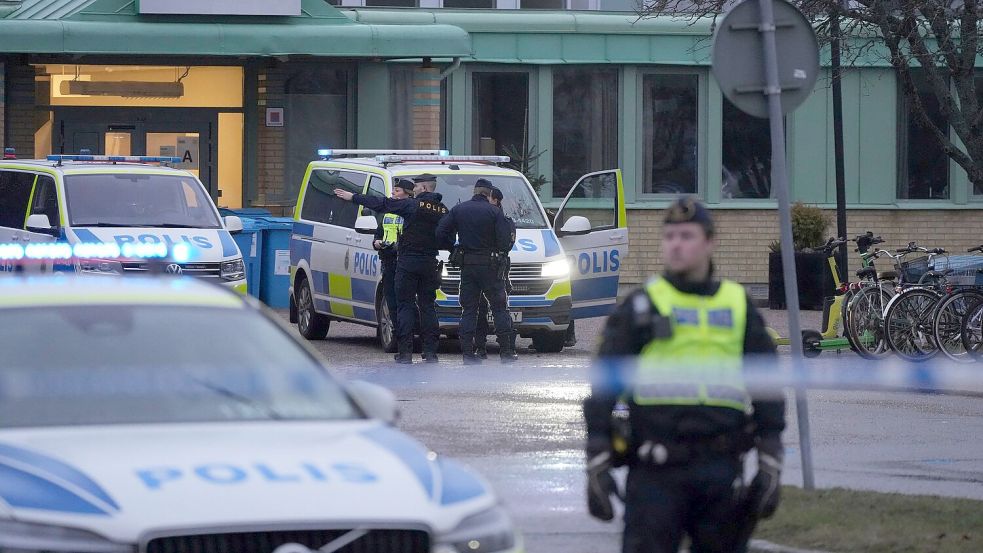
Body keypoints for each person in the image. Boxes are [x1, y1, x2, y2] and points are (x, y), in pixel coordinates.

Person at [583, 197, 786, 553]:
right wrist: (597, 456)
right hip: (655, 474)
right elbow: (604, 383)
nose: (676, 244)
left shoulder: (737, 304)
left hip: (721, 471)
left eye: (687, 236)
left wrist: (770, 458)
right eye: (670, 236)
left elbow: (767, 386)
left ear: (710, 242)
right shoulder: (642, 305)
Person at [335, 174, 448, 364]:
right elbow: (447, 235)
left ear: (425, 188)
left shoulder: (411, 205)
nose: (415, 189)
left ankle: (405, 353)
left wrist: (354, 197)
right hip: (429, 262)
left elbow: (382, 203)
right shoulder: (443, 210)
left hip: (408, 262)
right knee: (428, 307)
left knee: (404, 305)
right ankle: (430, 353)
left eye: (417, 186)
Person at [437, 178, 517, 364]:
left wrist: (453, 249)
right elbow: (505, 242)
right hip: (491, 267)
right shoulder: (495, 212)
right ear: (489, 194)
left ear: (474, 192)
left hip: (468, 267)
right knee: (499, 308)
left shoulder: (459, 209)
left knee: (469, 310)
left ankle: (467, 354)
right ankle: (505, 353)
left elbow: (440, 232)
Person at [475, 185, 516, 359]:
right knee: (481, 309)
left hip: (497, 270)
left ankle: (507, 348)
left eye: (488, 197)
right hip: (485, 268)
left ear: (495, 200)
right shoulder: (485, 217)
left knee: (500, 309)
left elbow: (507, 244)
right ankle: (481, 347)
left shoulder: (505, 221)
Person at [374, 178, 413, 335]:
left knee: (404, 301)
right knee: (391, 299)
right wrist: (376, 242)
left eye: (396, 191)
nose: (392, 193)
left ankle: (404, 335)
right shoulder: (387, 212)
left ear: (407, 194)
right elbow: (379, 231)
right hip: (389, 260)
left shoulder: (413, 210)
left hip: (405, 260)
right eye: (393, 190)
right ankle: (398, 333)